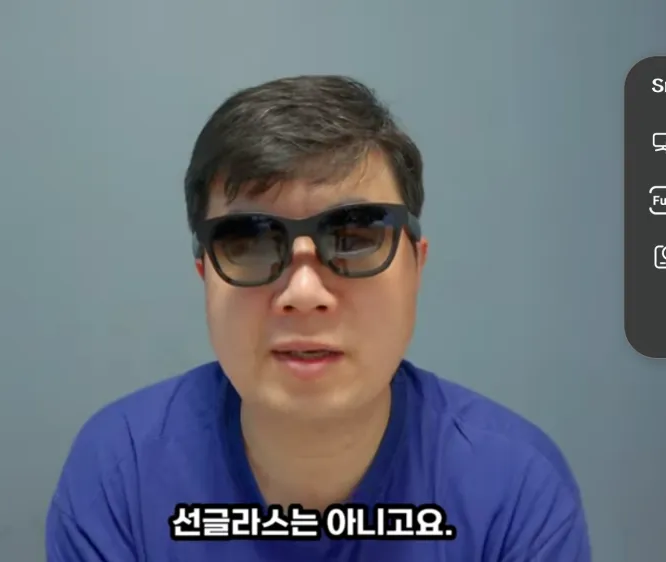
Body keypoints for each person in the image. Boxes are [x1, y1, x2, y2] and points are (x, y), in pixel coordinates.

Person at [45, 75, 591, 561]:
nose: (304, 294)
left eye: (353, 238)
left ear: (416, 267)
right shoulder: (120, 473)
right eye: (250, 242)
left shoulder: (515, 490)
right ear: (204, 273)